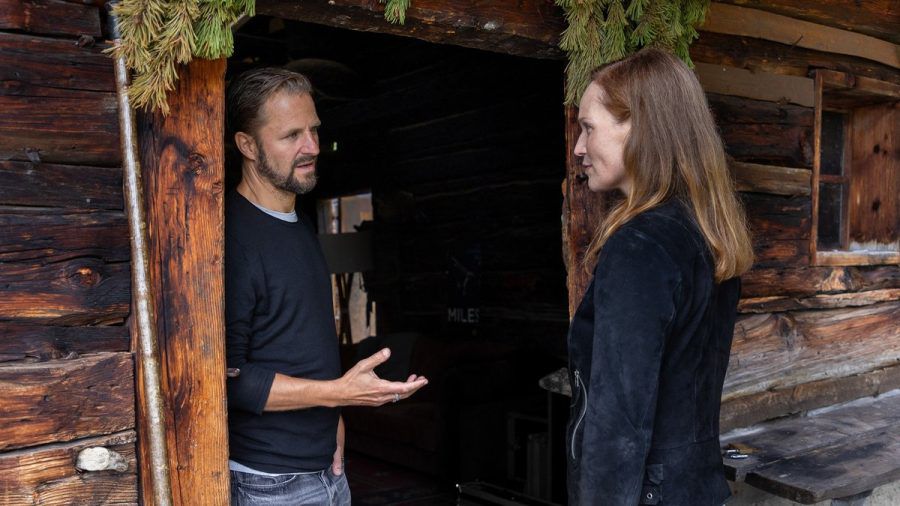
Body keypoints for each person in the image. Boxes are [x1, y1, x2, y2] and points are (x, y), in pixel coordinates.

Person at [224, 67, 429, 506]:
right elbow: (225, 379)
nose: (312, 147)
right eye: (291, 135)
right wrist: (339, 392)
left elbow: (297, 343)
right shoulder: (231, 239)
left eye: (314, 130)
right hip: (268, 483)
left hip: (325, 468)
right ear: (247, 144)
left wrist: (333, 416)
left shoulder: (298, 223)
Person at [566, 48, 754, 505]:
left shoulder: (640, 247)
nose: (578, 148)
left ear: (640, 128)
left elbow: (619, 425)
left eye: (589, 128)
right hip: (698, 489)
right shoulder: (708, 232)